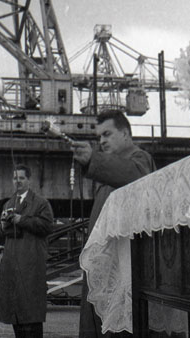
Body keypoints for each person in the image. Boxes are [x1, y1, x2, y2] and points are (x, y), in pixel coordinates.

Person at [71, 110, 156, 338]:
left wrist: (94, 160)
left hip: (123, 269)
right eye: (99, 137)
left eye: (107, 134)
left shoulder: (140, 159)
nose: (101, 141)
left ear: (125, 133)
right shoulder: (110, 168)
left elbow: (135, 176)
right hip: (104, 265)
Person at [0, 164, 54, 338]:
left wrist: (22, 220)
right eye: (15, 178)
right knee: (15, 311)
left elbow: (46, 226)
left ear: (29, 180)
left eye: (21, 178)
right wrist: (3, 226)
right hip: (12, 265)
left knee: (31, 312)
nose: (18, 181)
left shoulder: (41, 203)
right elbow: (0, 232)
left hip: (31, 264)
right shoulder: (8, 203)